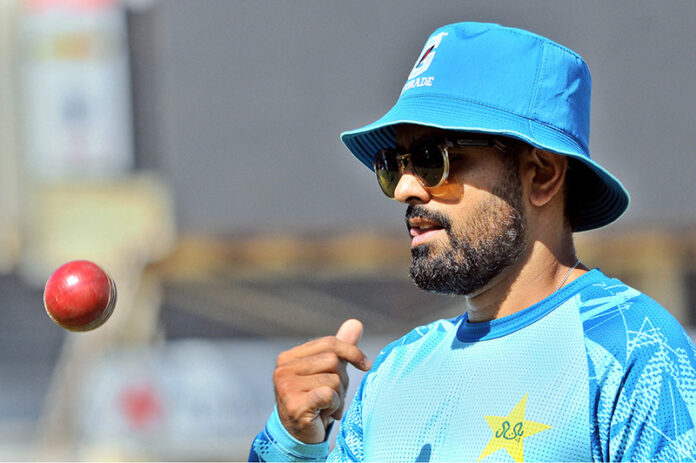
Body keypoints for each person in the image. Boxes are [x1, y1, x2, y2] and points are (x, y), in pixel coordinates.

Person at [249, 22, 696, 462]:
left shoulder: (637, 349)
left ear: (541, 174)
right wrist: (292, 443)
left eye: (431, 159)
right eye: (393, 163)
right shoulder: (396, 370)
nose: (405, 188)